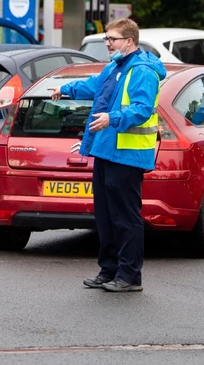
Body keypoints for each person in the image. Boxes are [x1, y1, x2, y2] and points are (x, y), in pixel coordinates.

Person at [51, 18, 165, 292]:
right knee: (105, 216)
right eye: (106, 39)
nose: (107, 44)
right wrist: (65, 90)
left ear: (129, 41)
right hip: (107, 151)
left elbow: (141, 109)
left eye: (111, 39)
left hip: (128, 156)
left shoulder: (143, 71)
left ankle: (129, 276)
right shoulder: (115, 66)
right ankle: (109, 270)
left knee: (126, 218)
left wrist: (112, 118)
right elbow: (94, 86)